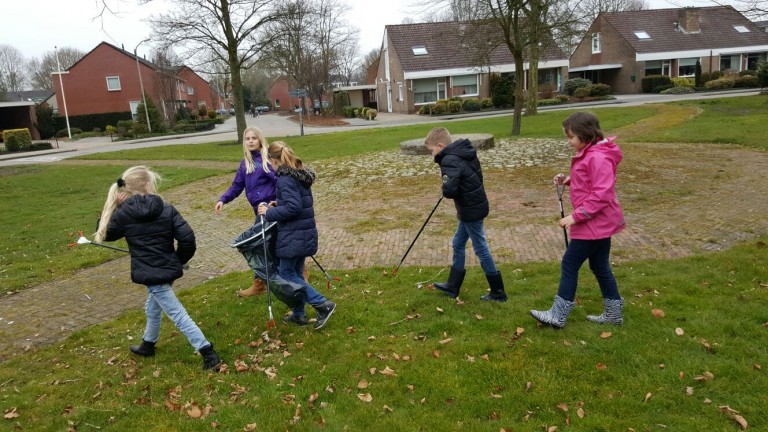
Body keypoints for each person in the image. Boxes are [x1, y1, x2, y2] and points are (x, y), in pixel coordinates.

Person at [95, 166, 223, 371]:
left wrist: (113, 211)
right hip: (165, 270)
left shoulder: (124, 213)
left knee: (177, 314)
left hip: (151, 273)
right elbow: (187, 239)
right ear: (147, 185)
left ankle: (208, 353)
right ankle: (148, 345)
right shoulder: (166, 208)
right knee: (152, 307)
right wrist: (177, 260)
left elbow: (104, 233)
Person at [530, 111, 626, 328]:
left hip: (593, 223)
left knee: (570, 263)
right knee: (600, 265)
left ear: (586, 134)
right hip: (598, 222)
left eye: (571, 137)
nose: (569, 142)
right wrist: (568, 181)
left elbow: (602, 193)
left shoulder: (598, 156)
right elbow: (589, 181)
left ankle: (558, 314)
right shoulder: (592, 152)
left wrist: (576, 217)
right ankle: (613, 314)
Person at [257, 141, 336, 330]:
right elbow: (296, 201)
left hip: (293, 235)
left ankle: (322, 305)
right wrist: (278, 203)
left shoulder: (285, 178)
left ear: (274, 160)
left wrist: (268, 213)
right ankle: (299, 314)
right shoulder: (298, 174)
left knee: (287, 274)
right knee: (296, 274)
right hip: (303, 232)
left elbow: (293, 207)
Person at [424, 127, 507, 302]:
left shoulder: (449, 159)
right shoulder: (464, 152)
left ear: (440, 145)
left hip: (471, 209)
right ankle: (453, 286)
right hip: (473, 204)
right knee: (458, 243)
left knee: (481, 248)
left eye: (432, 151)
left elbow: (451, 189)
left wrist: (445, 188)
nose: (433, 155)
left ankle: (498, 292)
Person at [215, 126, 277, 297]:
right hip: (257, 211)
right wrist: (223, 199)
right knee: (268, 245)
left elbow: (281, 182)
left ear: (260, 140)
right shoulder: (246, 163)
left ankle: (260, 283)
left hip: (269, 210)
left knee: (259, 245)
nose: (250, 141)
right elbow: (237, 185)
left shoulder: (267, 161)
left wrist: (276, 202)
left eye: (253, 138)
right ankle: (262, 282)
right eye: (247, 138)